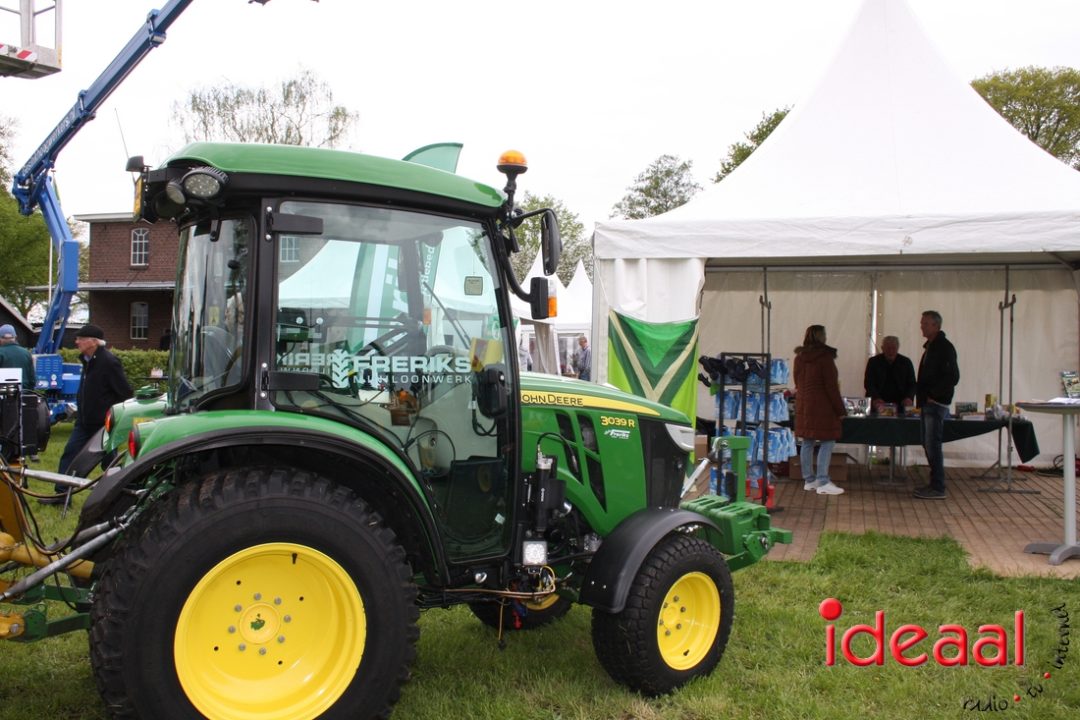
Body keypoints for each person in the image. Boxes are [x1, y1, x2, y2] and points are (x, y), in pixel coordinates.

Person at [49, 324, 133, 502]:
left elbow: (125, 392)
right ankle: (61, 494)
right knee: (70, 454)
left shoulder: (109, 362)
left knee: (109, 462)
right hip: (84, 422)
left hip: (103, 424)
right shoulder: (87, 361)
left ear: (93, 342)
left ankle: (120, 494)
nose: (77, 342)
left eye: (81, 338)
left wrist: (110, 415)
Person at [794, 324, 847, 495]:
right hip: (823, 406)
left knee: (807, 441)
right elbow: (831, 387)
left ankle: (809, 480)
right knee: (828, 440)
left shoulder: (799, 357)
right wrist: (841, 410)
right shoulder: (825, 358)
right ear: (821, 337)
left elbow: (797, 382)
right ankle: (823, 480)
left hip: (804, 404)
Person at [914, 311, 959, 500]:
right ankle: (934, 483)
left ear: (936, 326)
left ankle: (938, 486)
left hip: (935, 403)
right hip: (928, 402)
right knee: (928, 443)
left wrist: (934, 394)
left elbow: (953, 376)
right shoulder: (931, 347)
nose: (922, 326)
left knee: (932, 444)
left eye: (925, 323)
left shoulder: (944, 347)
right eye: (922, 323)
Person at [863, 335, 916, 414]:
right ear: (882, 348)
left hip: (901, 404)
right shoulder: (873, 362)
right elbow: (869, 383)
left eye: (893, 348)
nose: (891, 351)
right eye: (888, 348)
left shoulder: (906, 362)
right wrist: (876, 398)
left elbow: (912, 384)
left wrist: (909, 398)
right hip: (878, 404)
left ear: (898, 348)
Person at [0, 324, 36, 390]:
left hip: (4, 393)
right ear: (15, 337)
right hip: (24, 392)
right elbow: (32, 380)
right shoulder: (26, 353)